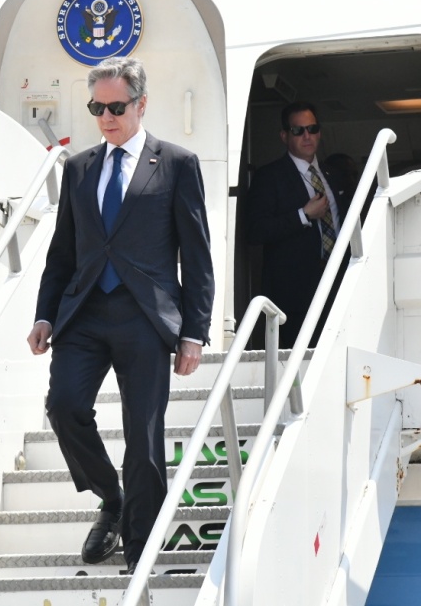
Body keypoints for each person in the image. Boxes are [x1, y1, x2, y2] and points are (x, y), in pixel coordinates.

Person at [27, 56, 214, 573]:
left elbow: (197, 255)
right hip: (83, 314)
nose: (106, 117)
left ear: (141, 104)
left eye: (116, 106)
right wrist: (45, 315)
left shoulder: (176, 164)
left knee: (144, 438)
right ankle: (111, 496)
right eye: (97, 107)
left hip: (145, 317)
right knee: (64, 406)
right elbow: (62, 254)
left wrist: (194, 332)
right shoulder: (80, 167)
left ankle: (138, 552)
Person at [246, 101, 353, 349]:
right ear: (285, 136)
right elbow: (255, 231)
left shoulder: (334, 176)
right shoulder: (269, 177)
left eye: (312, 129)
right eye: (298, 130)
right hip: (294, 296)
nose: (307, 136)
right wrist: (303, 215)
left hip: (338, 286)